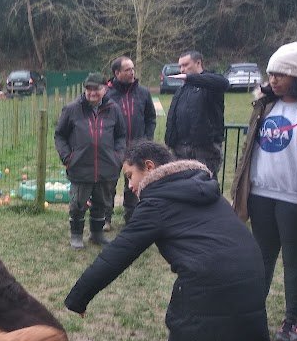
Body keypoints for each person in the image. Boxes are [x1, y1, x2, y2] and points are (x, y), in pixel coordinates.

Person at [65, 141, 269, 341]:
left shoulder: (157, 201)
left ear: (149, 167)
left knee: (183, 340)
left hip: (205, 276)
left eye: (130, 176)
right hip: (250, 271)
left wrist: (78, 298)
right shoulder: (202, 186)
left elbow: (117, 255)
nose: (130, 186)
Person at [232, 41, 297, 341]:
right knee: (260, 257)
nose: (273, 79)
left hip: (295, 199)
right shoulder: (266, 105)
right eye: (271, 74)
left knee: (295, 262)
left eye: (281, 74)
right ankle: (251, 313)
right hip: (261, 194)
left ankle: (293, 321)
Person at [55, 72, 126, 249]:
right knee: (78, 204)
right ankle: (77, 236)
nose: (92, 92)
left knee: (102, 203)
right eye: (89, 89)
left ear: (105, 89)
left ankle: (97, 234)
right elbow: (60, 136)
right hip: (80, 166)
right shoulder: (72, 109)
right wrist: (67, 157)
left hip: (106, 166)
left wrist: (118, 157)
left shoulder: (113, 109)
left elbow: (121, 136)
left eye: (96, 89)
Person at [105, 56, 157, 228]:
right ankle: (106, 219)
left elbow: (150, 117)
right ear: (117, 73)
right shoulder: (107, 93)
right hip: (113, 149)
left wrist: (147, 139)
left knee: (133, 185)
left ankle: (132, 219)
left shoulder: (143, 92)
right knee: (108, 184)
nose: (132, 72)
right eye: (127, 69)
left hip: (137, 149)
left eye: (133, 68)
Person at [164, 50, 229, 180]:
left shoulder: (211, 85)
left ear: (198, 63)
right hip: (180, 150)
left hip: (205, 150)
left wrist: (191, 78)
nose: (182, 69)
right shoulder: (182, 89)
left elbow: (224, 83)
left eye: (186, 65)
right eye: (180, 66)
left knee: (204, 189)